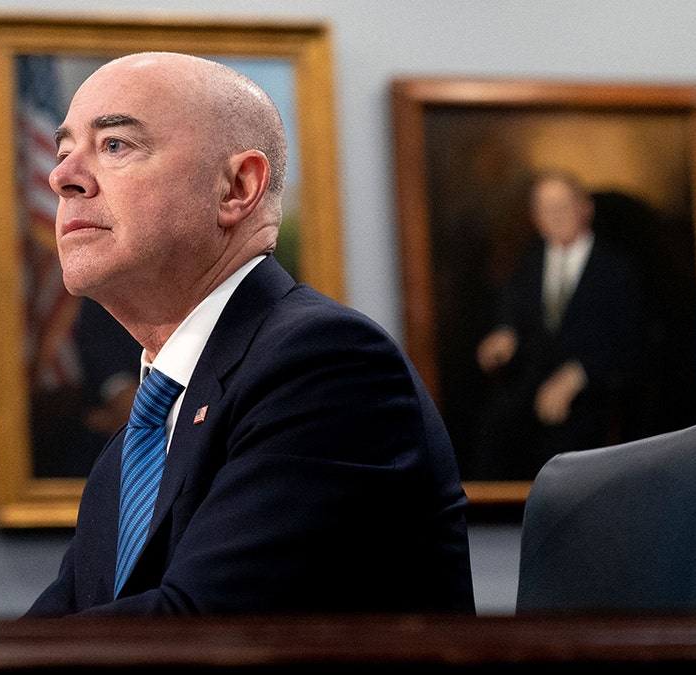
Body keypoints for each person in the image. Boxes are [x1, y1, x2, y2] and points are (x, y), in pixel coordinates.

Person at [25, 52, 473, 616]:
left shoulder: (327, 368)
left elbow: (202, 631)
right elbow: (45, 637)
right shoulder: (137, 440)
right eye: (64, 152)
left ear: (237, 187)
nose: (61, 176)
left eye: (114, 146)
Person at [475, 168, 645, 479]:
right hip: (533, 383)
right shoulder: (530, 261)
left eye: (561, 207)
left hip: (591, 394)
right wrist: (505, 333)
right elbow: (514, 312)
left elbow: (629, 344)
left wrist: (576, 375)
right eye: (543, 209)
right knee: (493, 431)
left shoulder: (614, 270)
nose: (552, 217)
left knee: (569, 457)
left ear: (585, 209)